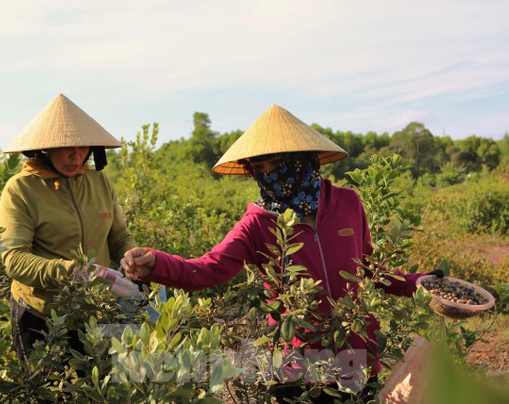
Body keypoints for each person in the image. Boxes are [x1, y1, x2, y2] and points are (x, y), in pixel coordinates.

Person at [122, 104, 441, 403]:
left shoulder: (347, 203)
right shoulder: (255, 224)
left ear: (302, 159)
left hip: (355, 350)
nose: (271, 175)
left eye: (278, 163)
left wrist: (417, 284)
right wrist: (156, 263)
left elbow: (370, 268)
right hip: (296, 361)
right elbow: (207, 270)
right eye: (260, 168)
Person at [0, 93, 141, 362]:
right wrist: (74, 273)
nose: (77, 156)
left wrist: (133, 256)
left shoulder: (100, 183)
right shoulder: (21, 189)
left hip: (97, 311)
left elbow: (119, 236)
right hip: (41, 315)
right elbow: (14, 259)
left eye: (83, 146)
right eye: (66, 148)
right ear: (44, 148)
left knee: (104, 389)